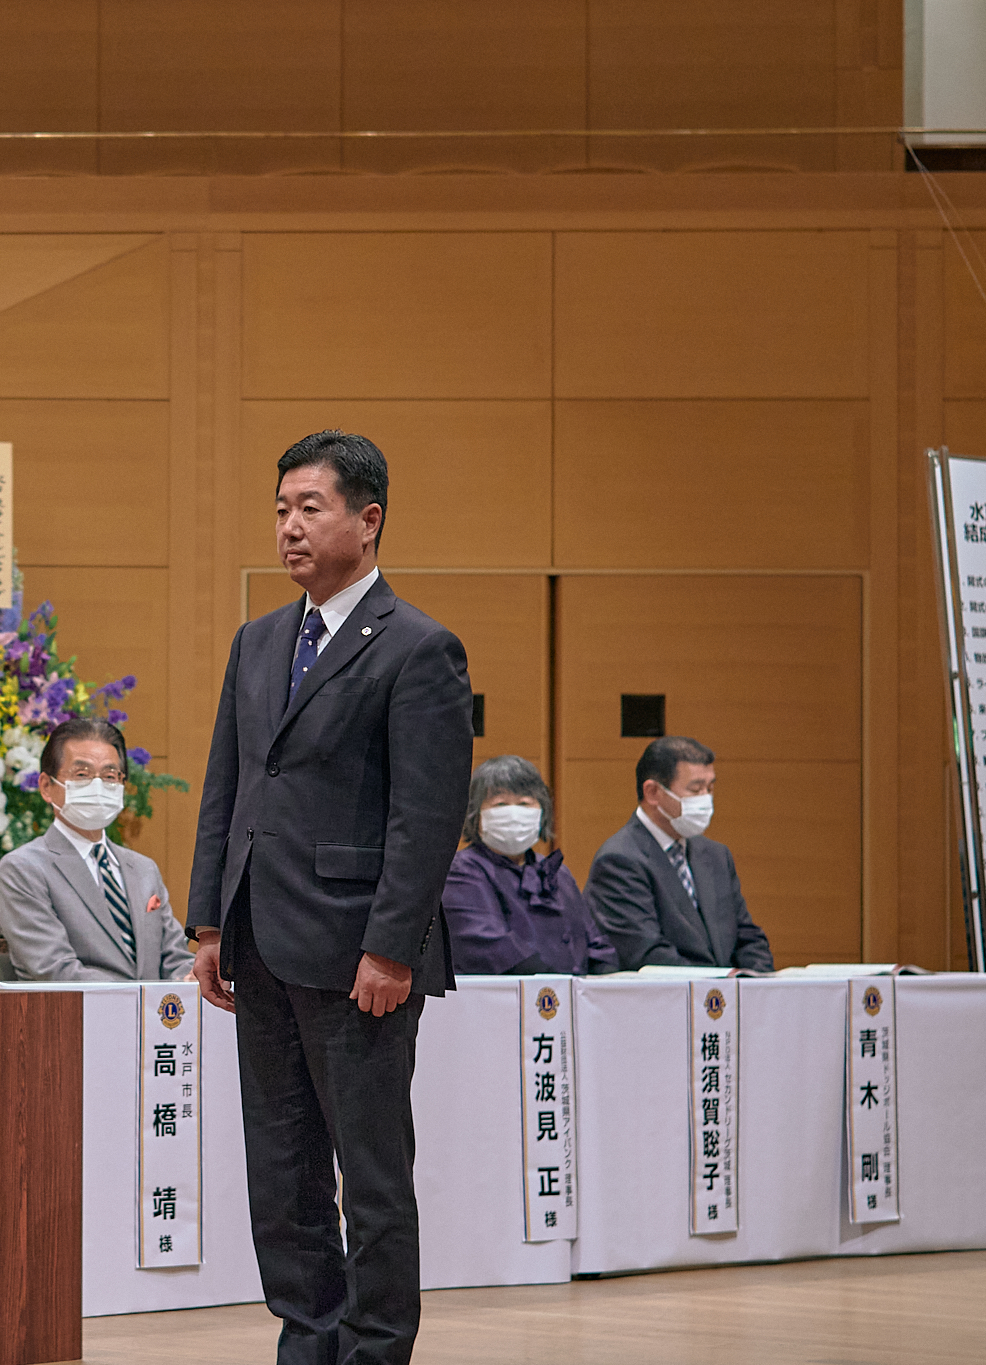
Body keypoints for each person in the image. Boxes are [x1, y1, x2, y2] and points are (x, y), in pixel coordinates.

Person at [185, 430, 472, 1365]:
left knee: (373, 1174)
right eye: (280, 509)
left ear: (368, 518)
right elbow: (227, 784)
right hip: (260, 943)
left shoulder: (421, 648)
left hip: (359, 957)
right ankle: (307, 1339)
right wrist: (208, 920)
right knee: (282, 1166)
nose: (291, 527)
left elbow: (426, 818)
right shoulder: (260, 639)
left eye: (310, 507)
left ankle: (378, 1346)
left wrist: (391, 946)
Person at [0, 718, 194, 981]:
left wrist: (194, 980)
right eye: (82, 775)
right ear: (46, 787)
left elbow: (175, 958)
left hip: (152, 1018)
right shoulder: (24, 868)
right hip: (74, 1018)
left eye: (110, 776)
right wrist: (142, 1000)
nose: (98, 786)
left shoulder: (144, 869)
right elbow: (54, 970)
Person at [586, 736, 773, 972]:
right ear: (653, 792)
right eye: (695, 789)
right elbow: (646, 954)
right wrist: (719, 984)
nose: (706, 799)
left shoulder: (716, 855)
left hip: (726, 1001)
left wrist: (758, 981)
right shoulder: (618, 861)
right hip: (662, 1003)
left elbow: (747, 937)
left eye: (710, 788)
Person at [440, 756, 616, 976]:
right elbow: (490, 946)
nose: (514, 814)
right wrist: (558, 989)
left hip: (574, 1000)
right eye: (501, 804)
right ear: (476, 815)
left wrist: (605, 978)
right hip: (508, 1001)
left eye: (524, 803)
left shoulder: (556, 871)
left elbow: (595, 943)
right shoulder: (461, 871)